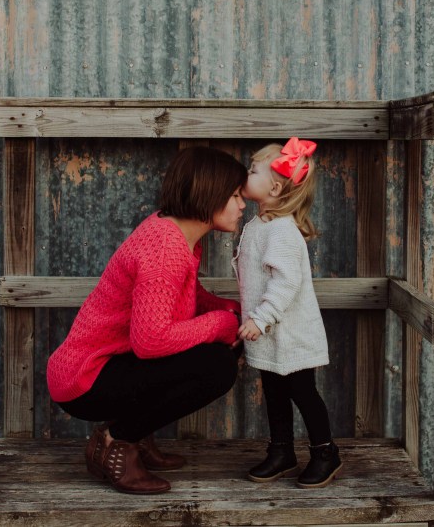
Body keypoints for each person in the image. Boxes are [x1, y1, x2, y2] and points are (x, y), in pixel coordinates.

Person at [46, 146, 246, 495]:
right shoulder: (166, 248)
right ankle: (117, 441)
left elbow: (185, 294)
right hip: (86, 378)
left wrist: (231, 309)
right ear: (208, 193)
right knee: (218, 366)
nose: (242, 205)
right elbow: (151, 340)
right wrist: (218, 324)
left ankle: (136, 436)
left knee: (222, 348)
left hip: (108, 364)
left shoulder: (175, 232)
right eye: (234, 195)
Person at [235, 137, 342, 488]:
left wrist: (259, 319)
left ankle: (325, 452)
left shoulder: (281, 231)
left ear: (276, 187)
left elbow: (284, 284)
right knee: (275, 393)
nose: (244, 173)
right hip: (269, 336)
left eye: (252, 170)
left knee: (303, 393)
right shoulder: (258, 225)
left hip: (289, 333)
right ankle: (281, 450)